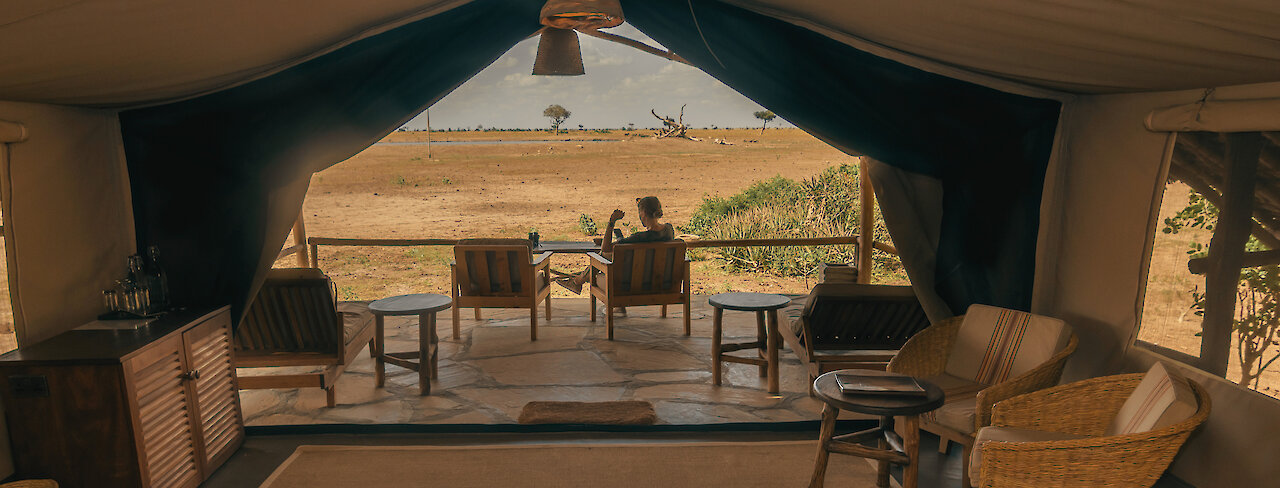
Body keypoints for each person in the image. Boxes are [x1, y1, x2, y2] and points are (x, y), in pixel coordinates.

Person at [555, 196, 674, 294]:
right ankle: (577, 281)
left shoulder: (639, 238)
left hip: (631, 285)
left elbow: (606, 248)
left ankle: (577, 281)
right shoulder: (669, 230)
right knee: (608, 256)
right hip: (662, 283)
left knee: (601, 256)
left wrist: (611, 221)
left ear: (643, 213)